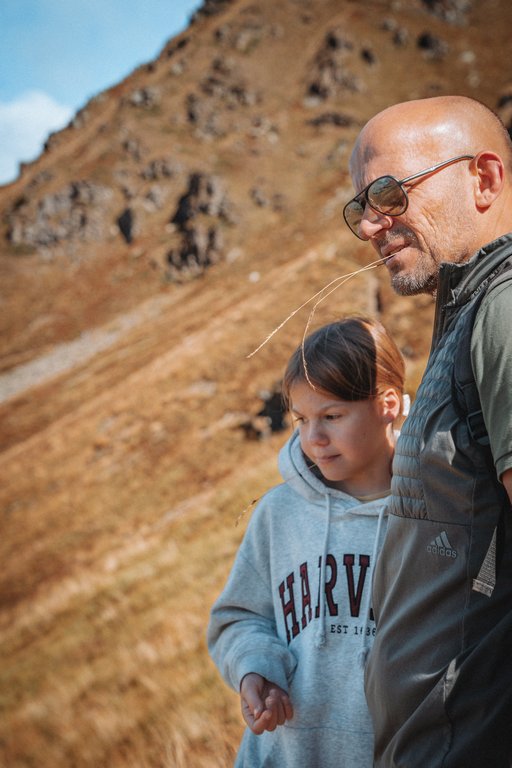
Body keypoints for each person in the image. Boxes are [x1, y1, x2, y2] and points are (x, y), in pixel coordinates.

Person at [343, 94, 512, 767]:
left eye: (389, 193)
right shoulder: (469, 311)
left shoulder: (503, 308)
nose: (371, 225)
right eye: (361, 207)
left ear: (484, 178)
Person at [208, 317, 405, 767]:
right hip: (284, 754)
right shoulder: (280, 513)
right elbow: (238, 618)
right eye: (302, 419)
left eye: (332, 417)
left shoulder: (432, 516)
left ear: (387, 405)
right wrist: (256, 670)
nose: (314, 438)